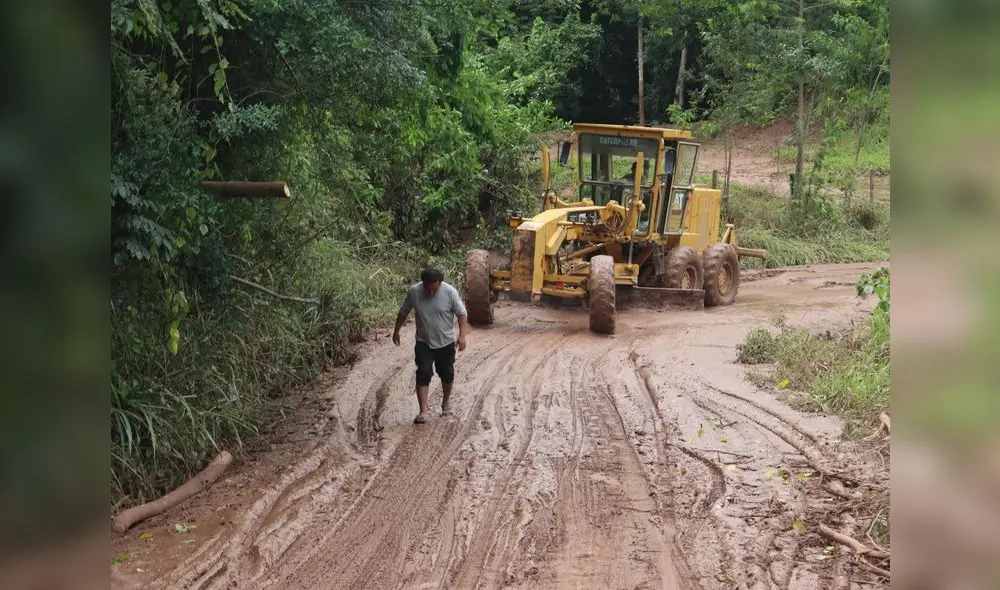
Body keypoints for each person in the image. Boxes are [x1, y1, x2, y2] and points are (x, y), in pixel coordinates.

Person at [392, 268, 469, 424]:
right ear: (423, 284)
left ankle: (446, 403)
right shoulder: (414, 292)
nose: (431, 292)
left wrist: (462, 336)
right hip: (424, 341)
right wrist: (396, 331)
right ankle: (423, 411)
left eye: (435, 289)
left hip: (446, 342)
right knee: (423, 372)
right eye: (428, 289)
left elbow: (462, 314)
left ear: (440, 283)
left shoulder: (450, 292)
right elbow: (403, 311)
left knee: (447, 373)